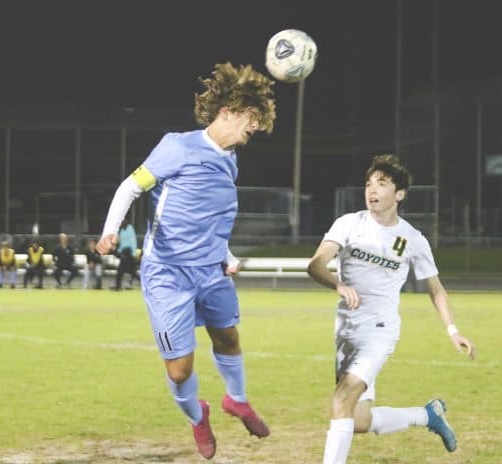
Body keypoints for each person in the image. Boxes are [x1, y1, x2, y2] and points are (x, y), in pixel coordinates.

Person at [97, 63, 276, 459]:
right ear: (228, 110)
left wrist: (226, 255)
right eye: (252, 118)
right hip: (168, 275)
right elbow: (131, 186)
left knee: (228, 337)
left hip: (211, 271)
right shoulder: (177, 146)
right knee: (179, 370)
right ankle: (198, 417)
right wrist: (111, 230)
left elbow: (209, 216)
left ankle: (238, 399)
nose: (256, 127)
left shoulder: (230, 158)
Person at [307, 154, 475, 464]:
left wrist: (453, 330)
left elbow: (435, 289)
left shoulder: (412, 239)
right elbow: (316, 264)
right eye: (369, 184)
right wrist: (338, 285)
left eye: (381, 184)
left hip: (380, 332)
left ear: (399, 194)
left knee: (341, 401)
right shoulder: (349, 223)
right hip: (346, 331)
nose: (372, 190)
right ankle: (427, 416)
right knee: (356, 419)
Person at [112, 219, 138, 290]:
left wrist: (133, 253)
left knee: (132, 271)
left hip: (129, 252)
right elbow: (121, 243)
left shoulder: (130, 229)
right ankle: (118, 286)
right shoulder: (121, 231)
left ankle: (119, 286)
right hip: (123, 252)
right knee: (121, 270)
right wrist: (119, 251)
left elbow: (133, 241)